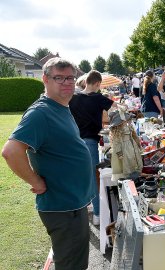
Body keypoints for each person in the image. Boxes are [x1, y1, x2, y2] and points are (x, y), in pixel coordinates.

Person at [2, 58, 94, 270]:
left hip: (72, 203)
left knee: (76, 263)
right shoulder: (40, 113)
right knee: (72, 265)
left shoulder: (61, 106)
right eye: (59, 78)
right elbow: (11, 152)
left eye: (70, 77)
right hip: (63, 207)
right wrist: (36, 181)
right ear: (45, 79)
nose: (66, 82)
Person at [69, 69, 118, 225]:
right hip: (89, 141)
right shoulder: (98, 97)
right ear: (97, 83)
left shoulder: (74, 98)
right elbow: (116, 108)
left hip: (75, 141)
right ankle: (97, 214)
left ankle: (79, 212)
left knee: (78, 178)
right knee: (93, 179)